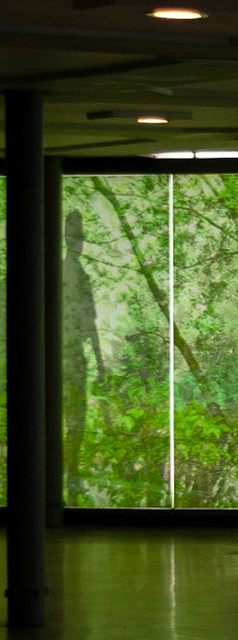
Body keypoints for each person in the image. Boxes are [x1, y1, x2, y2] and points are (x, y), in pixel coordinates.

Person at [63, 210, 105, 503]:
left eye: (80, 236)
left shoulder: (71, 275)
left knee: (75, 422)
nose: (78, 241)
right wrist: (99, 361)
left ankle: (70, 478)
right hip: (70, 359)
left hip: (72, 357)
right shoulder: (70, 276)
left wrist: (100, 362)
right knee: (73, 422)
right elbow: (88, 323)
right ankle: (69, 478)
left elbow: (89, 322)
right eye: (74, 235)